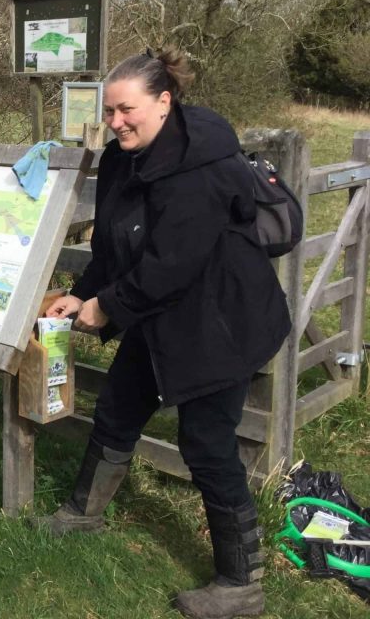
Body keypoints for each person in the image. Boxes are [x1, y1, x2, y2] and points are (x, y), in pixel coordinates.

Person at [40, 50, 291, 619]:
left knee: (206, 445)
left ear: (163, 101)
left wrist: (108, 309)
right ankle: (84, 511)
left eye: (126, 109)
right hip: (159, 315)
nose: (116, 121)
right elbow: (113, 245)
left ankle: (240, 582)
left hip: (219, 322)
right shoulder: (121, 159)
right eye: (109, 111)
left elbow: (172, 264)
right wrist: (85, 292)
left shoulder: (202, 167)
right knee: (119, 409)